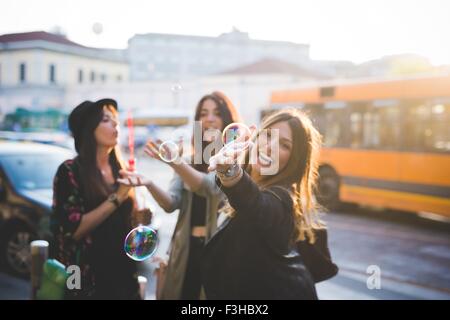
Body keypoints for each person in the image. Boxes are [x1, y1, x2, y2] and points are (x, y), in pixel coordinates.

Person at [119, 92, 241, 299]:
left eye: (217, 113)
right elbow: (171, 203)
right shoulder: (189, 161)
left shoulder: (234, 160)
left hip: (220, 251)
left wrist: (174, 161)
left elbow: (208, 187)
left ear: (228, 120)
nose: (209, 118)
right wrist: (148, 183)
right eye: (203, 113)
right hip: (185, 250)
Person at [203, 108, 323, 299]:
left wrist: (230, 172)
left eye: (284, 145)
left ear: (295, 159)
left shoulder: (283, 198)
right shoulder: (254, 183)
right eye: (267, 135)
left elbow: (256, 205)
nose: (270, 147)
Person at [51, 98, 140, 299]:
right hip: (88, 277)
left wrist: (140, 219)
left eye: (115, 119)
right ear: (88, 129)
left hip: (123, 273)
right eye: (106, 120)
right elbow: (72, 231)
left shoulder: (120, 169)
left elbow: (124, 223)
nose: (115, 124)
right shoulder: (70, 171)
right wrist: (117, 197)